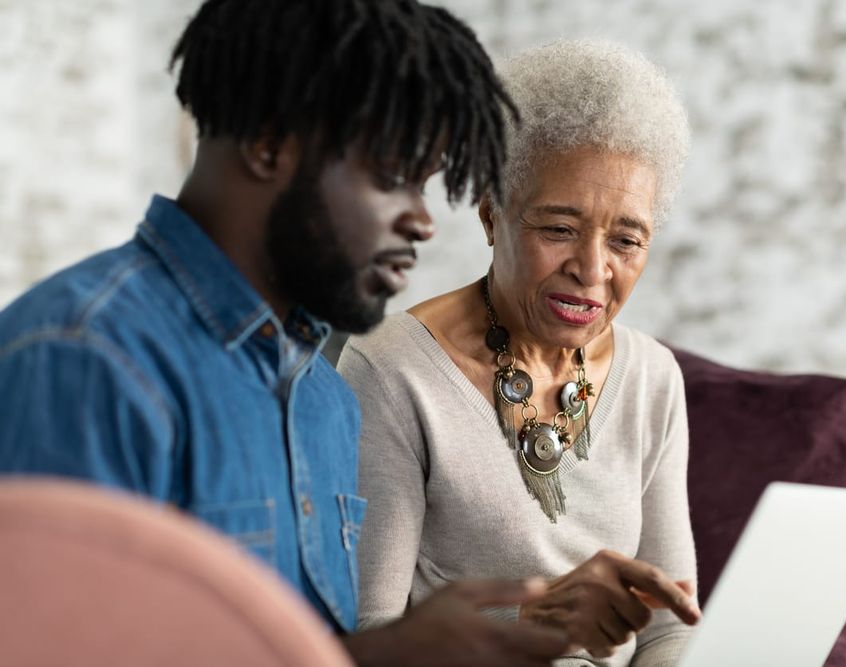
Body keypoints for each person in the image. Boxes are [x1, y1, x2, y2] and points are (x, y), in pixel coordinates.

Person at [0, 1, 569, 665]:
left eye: (427, 184)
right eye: (394, 177)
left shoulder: (324, 396)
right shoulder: (84, 358)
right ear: (270, 144)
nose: (422, 221)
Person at [338, 39, 701, 666]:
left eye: (626, 239)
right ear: (490, 214)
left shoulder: (653, 379)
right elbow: (370, 639)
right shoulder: (392, 370)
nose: (592, 269)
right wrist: (536, 619)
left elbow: (669, 629)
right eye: (558, 229)